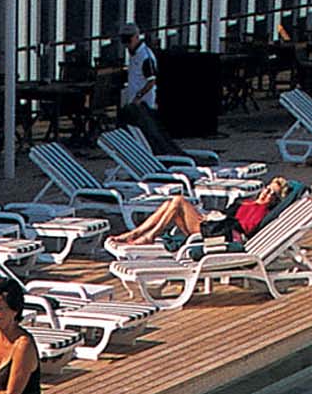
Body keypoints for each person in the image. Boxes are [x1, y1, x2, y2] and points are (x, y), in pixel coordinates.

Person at [112, 175, 294, 257]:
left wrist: (215, 219)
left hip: (218, 234)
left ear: (275, 200)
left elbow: (244, 228)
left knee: (178, 201)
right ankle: (136, 233)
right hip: (213, 226)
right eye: (267, 189)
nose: (267, 193)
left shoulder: (261, 211)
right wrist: (213, 216)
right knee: (170, 204)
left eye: (273, 194)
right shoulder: (249, 202)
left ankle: (148, 235)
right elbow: (228, 214)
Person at [119, 25, 171, 153]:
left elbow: (151, 81)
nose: (127, 45)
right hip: (134, 101)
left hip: (144, 103)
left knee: (148, 133)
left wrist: (139, 96)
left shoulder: (145, 56)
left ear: (137, 37)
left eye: (129, 40)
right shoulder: (133, 54)